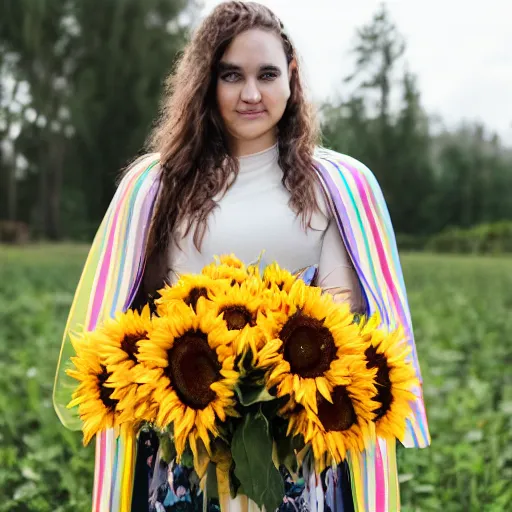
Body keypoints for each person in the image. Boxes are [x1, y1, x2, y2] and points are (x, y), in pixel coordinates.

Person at [53, 2, 430, 511]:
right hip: (189, 449)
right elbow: (139, 314)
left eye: (267, 74)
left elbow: (342, 314)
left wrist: (274, 383)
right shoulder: (159, 186)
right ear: (207, 83)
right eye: (231, 75)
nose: (251, 94)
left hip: (298, 454)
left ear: (291, 78)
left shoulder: (338, 186)